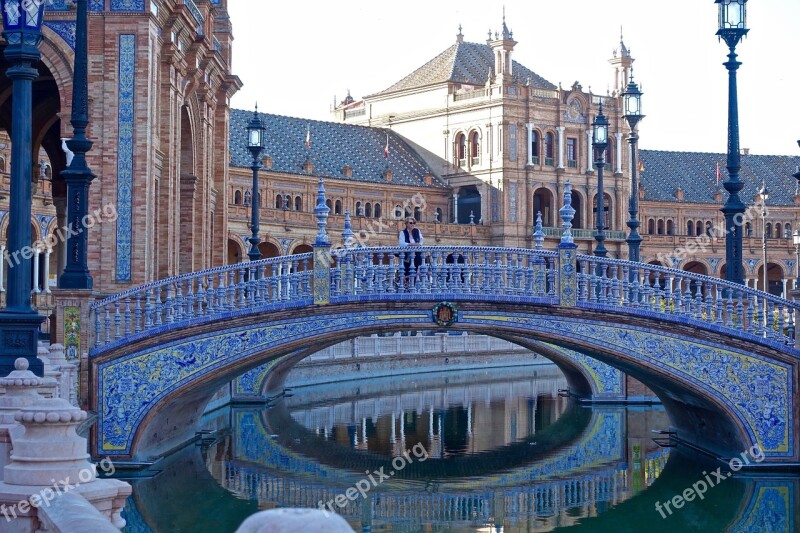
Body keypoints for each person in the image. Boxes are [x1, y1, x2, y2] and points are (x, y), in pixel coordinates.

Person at [399, 217, 423, 283]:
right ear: (406, 224)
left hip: (416, 255)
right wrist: (411, 244)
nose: (413, 224)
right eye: (411, 223)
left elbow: (420, 241)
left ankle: (414, 285)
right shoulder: (402, 232)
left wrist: (416, 244)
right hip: (407, 256)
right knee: (406, 271)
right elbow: (402, 243)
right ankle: (406, 285)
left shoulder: (417, 231)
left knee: (415, 270)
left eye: (414, 223)